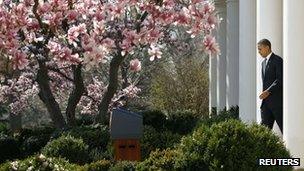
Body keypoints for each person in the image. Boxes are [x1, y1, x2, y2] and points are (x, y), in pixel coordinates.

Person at [257, 39, 283, 133]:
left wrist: (268, 91)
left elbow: (280, 79)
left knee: (286, 130)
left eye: (260, 49)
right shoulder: (263, 63)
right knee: (263, 134)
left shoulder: (278, 60)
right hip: (266, 105)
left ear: (267, 47)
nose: (259, 52)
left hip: (277, 104)